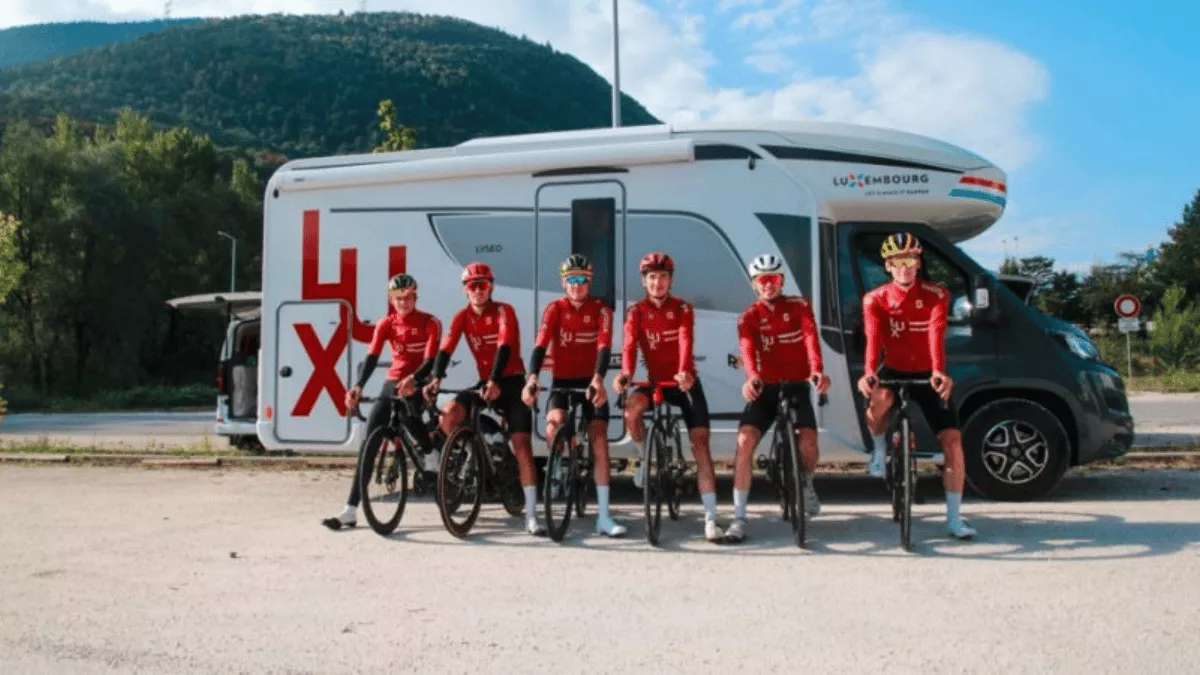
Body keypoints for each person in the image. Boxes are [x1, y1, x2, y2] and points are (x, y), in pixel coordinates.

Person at [857, 232, 976, 539]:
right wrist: (869, 372)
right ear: (887, 266)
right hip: (894, 368)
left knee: (952, 442)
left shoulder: (937, 294)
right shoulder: (875, 299)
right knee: (879, 400)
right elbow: (873, 338)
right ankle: (879, 449)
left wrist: (938, 371)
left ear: (918, 262)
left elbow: (936, 332)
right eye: (897, 262)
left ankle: (954, 519)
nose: (904, 268)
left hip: (927, 371)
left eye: (910, 260)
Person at [423, 262, 545, 536]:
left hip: (511, 381)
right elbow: (446, 349)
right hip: (486, 380)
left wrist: (494, 380)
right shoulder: (461, 316)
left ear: (491, 287)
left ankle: (531, 514)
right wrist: (435, 380)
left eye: (483, 285)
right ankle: (475, 451)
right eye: (472, 286)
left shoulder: (504, 311)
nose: (478, 290)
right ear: (465, 290)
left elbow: (504, 345)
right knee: (449, 414)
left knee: (522, 446)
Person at [611, 251, 723, 543]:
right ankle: (644, 457)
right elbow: (629, 346)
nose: (657, 283)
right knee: (631, 411)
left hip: (684, 381)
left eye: (662, 277)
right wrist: (625, 374)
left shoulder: (683, 308)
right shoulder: (636, 312)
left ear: (670, 281)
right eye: (652, 277)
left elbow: (686, 339)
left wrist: (684, 371)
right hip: (655, 382)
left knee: (700, 444)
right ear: (644, 281)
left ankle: (711, 518)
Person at [323, 273, 441, 531]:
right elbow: (372, 357)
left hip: (420, 379)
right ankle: (350, 510)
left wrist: (414, 379)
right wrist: (358, 386)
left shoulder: (430, 322)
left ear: (415, 297)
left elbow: (431, 360)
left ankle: (430, 452)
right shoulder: (386, 323)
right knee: (369, 445)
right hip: (394, 381)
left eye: (408, 297)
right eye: (398, 298)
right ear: (391, 299)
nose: (403, 302)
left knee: (409, 414)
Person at [727, 254, 830, 543]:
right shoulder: (748, 317)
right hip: (766, 388)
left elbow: (810, 339)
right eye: (762, 280)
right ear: (754, 284)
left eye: (773, 279)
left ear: (781, 281)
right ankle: (738, 517)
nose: (768, 285)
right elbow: (747, 350)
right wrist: (751, 377)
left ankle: (806, 483)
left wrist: (817, 370)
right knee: (744, 442)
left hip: (796, 385)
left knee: (808, 441)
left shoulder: (799, 306)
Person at [523, 254, 626, 537]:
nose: (577, 285)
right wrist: (532, 377)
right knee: (554, 424)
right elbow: (540, 345)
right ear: (563, 283)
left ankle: (603, 516)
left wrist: (598, 379)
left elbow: (604, 346)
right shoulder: (554, 309)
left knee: (599, 440)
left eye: (582, 280)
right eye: (571, 280)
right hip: (562, 381)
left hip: (591, 381)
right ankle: (560, 460)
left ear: (589, 282)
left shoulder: (601, 310)